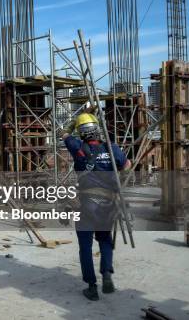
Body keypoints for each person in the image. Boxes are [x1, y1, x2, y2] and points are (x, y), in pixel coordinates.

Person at [60, 107, 131, 301]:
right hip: (107, 204)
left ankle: (92, 287)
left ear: (81, 132)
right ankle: (106, 273)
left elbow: (64, 134)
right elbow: (126, 166)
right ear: (98, 129)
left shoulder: (78, 148)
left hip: (87, 204)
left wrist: (75, 121)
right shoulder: (111, 147)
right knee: (105, 240)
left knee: (85, 246)